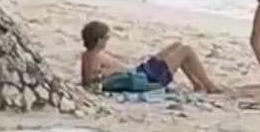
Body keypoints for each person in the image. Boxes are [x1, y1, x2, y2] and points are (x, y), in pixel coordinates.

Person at [79, 21, 218, 94]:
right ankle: (210, 86)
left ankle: (197, 84)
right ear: (99, 40)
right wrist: (114, 71)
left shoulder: (91, 54)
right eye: (106, 37)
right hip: (146, 78)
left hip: (141, 72)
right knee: (186, 50)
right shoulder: (93, 57)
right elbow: (92, 82)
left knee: (177, 45)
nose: (108, 40)